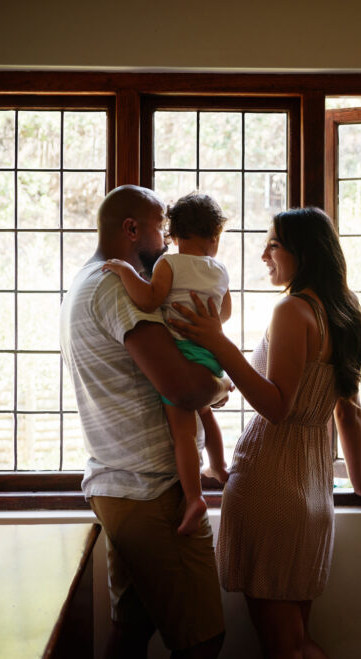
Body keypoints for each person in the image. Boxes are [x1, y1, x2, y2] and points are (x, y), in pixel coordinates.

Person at [169, 207, 361, 659]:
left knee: (280, 647)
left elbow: (276, 406)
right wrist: (358, 481)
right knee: (296, 639)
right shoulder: (343, 314)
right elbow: (350, 413)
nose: (263, 255)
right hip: (314, 491)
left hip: (272, 485)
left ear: (303, 251)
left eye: (272, 245)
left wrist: (218, 342)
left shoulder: (292, 311)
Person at [59, 184, 229, 659]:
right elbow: (181, 386)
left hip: (119, 486)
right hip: (152, 490)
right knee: (202, 642)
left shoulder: (86, 282)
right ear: (132, 229)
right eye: (162, 226)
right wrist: (219, 384)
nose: (169, 238)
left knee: (132, 629)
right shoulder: (115, 287)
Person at [101, 191, 232, 536]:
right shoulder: (220, 270)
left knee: (184, 434)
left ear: (172, 236)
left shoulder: (168, 264)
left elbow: (148, 299)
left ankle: (193, 498)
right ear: (214, 237)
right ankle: (219, 466)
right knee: (205, 411)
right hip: (210, 355)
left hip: (184, 354)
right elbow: (225, 313)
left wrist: (126, 271)